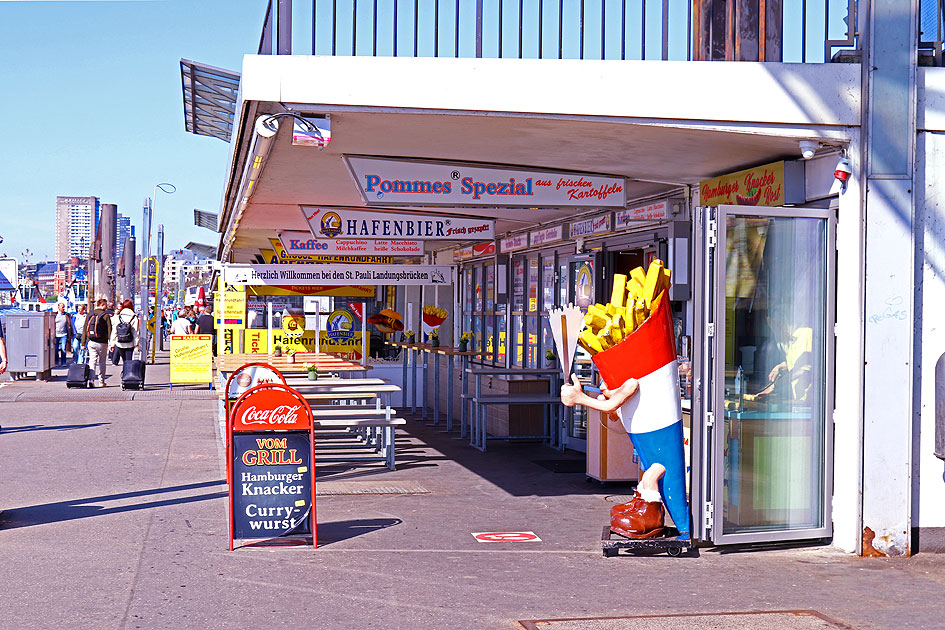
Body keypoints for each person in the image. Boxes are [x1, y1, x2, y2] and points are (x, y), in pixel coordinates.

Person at [83, 298, 112, 387]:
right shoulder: (105, 315)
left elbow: (85, 329)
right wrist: (110, 342)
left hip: (91, 341)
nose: (107, 307)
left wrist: (83, 343)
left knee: (92, 361)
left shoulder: (90, 314)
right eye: (106, 305)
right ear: (102, 305)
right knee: (102, 362)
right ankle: (101, 381)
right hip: (102, 342)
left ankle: (91, 380)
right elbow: (109, 329)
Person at [109, 299, 139, 367]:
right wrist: (136, 344)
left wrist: (112, 344)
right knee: (128, 361)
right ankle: (127, 374)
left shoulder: (118, 316)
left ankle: (124, 373)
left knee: (124, 360)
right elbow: (135, 332)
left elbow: (114, 331)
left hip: (119, 343)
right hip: (130, 342)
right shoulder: (134, 317)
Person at [54, 302, 74, 367]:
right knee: (56, 349)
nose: (63, 308)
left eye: (64, 307)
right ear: (58, 307)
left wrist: (71, 333)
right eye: (62, 307)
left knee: (63, 348)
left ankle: (63, 362)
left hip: (64, 334)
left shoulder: (66, 315)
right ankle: (56, 361)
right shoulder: (55, 315)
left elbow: (70, 324)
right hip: (56, 334)